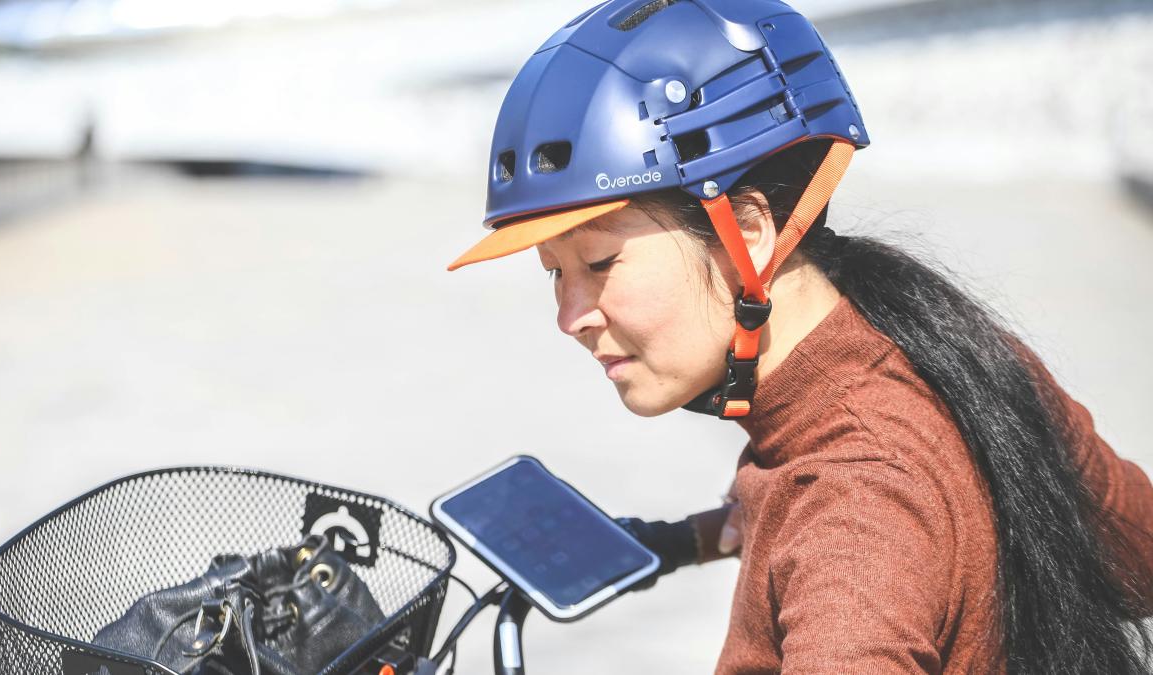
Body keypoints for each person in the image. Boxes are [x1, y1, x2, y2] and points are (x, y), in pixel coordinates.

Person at [446, 0, 1153, 672]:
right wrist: (724, 525)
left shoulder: (851, 512)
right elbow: (1137, 546)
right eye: (553, 273)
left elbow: (861, 541)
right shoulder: (938, 344)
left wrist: (818, 536)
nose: (571, 317)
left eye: (599, 263)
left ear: (748, 230)